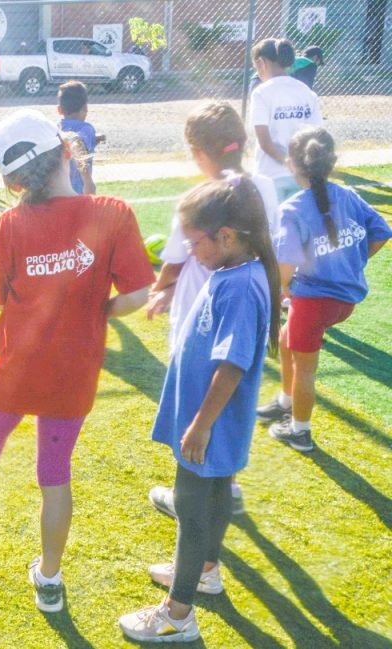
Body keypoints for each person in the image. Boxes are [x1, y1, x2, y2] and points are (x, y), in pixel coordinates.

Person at [0, 109, 155, 612]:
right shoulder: (113, 212)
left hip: (13, 370)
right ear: (67, 150)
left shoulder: (10, 223)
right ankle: (49, 579)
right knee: (55, 473)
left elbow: (0, 296)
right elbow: (139, 293)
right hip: (73, 374)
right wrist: (100, 310)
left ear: (14, 182)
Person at [119, 174, 281, 643]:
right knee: (216, 495)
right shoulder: (235, 272)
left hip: (211, 425)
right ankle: (206, 571)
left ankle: (177, 616)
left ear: (226, 236)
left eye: (194, 243)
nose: (190, 251)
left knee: (190, 510)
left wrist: (201, 425)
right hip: (212, 423)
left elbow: (232, 365)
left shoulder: (240, 286)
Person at [145, 102, 279, 517]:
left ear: (200, 152)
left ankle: (191, 500)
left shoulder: (201, 202)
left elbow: (174, 259)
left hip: (201, 317)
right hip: (241, 313)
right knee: (226, 404)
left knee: (199, 407)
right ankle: (225, 486)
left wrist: (161, 289)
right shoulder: (262, 188)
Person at [257, 127, 391, 451]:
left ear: (291, 164)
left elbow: (285, 269)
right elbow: (382, 231)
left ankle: (299, 432)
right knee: (286, 338)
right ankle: (286, 400)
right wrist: (352, 263)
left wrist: (283, 290)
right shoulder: (348, 195)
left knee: (305, 370)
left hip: (313, 303)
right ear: (332, 162)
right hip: (343, 301)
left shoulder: (292, 209)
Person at [249, 37, 323, 202]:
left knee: (271, 219)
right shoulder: (306, 92)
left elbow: (264, 142)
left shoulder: (260, 93)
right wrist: (301, 166)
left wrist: (287, 161)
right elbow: (317, 137)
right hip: (302, 176)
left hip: (270, 176)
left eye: (255, 66)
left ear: (262, 63)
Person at [57, 80, 101, 195]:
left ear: (59, 110)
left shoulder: (57, 129)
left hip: (58, 192)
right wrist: (88, 181)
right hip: (79, 192)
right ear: (85, 108)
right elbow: (77, 143)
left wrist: (95, 139)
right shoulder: (87, 129)